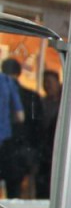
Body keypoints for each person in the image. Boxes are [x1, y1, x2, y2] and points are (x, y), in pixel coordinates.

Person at [0, 58, 30, 198]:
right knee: (13, 194)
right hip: (14, 149)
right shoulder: (28, 95)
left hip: (10, 146)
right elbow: (21, 117)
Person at [36, 69, 61, 199]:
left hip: (57, 154)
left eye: (50, 82)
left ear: (57, 83)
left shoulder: (64, 105)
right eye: (45, 82)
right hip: (42, 154)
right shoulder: (40, 103)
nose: (47, 85)